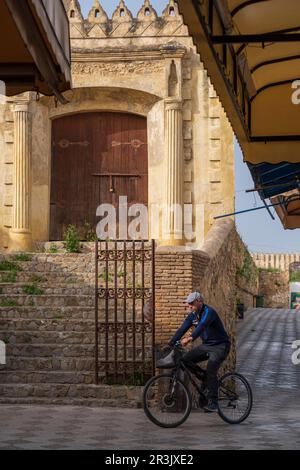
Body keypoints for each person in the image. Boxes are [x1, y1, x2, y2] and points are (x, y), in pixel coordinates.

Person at [168, 291, 231, 413]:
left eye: (191, 303)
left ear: (199, 302)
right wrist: (170, 344)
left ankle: (214, 402)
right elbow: (182, 329)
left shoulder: (209, 312)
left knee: (211, 370)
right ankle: (205, 379)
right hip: (207, 345)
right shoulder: (192, 315)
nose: (189, 306)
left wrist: (190, 338)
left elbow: (202, 325)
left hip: (220, 346)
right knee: (185, 360)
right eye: (188, 304)